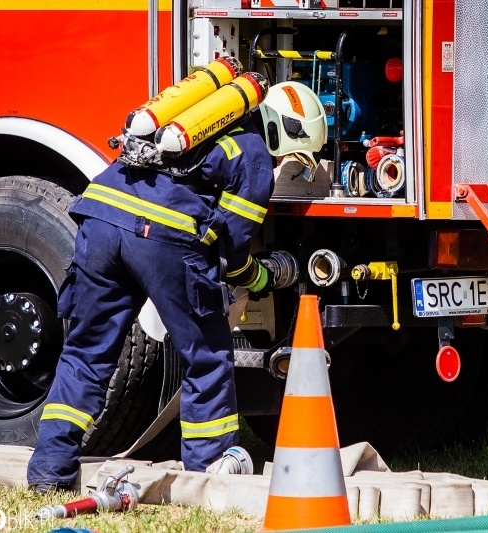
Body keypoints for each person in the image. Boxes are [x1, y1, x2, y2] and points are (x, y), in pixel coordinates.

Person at [27, 81, 328, 492]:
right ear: (285, 133)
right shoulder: (254, 152)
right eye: (293, 158)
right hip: (161, 237)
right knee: (206, 357)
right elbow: (232, 246)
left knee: (86, 351)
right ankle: (205, 475)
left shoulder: (189, 125)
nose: (283, 165)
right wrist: (261, 277)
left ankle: (49, 470)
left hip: (100, 219)